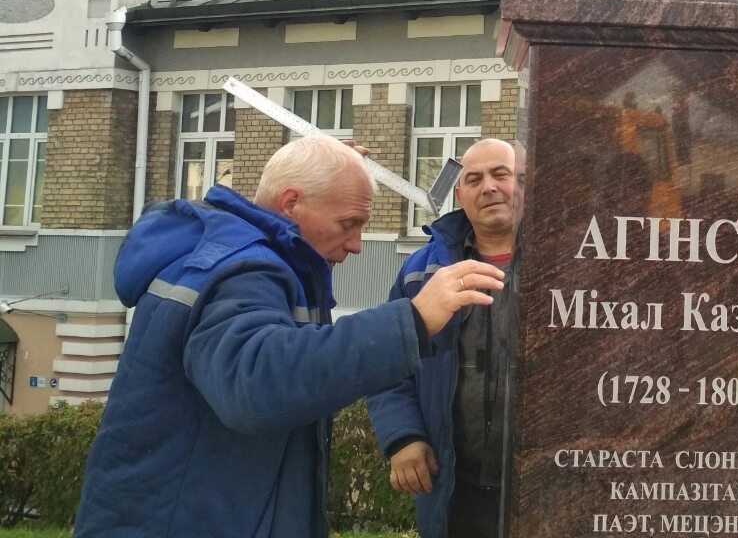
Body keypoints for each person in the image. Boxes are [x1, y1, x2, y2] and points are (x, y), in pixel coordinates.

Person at [73, 135, 504, 538]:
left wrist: (330, 174)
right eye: (348, 223)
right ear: (292, 203)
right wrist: (411, 321)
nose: (356, 244)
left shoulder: (239, 255)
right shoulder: (244, 271)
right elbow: (255, 382)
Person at [367, 138, 521, 538]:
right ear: (460, 195)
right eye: (474, 179)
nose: (489, 187)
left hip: (540, 486)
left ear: (524, 184)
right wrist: (403, 436)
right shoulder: (422, 271)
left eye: (500, 175)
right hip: (454, 489)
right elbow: (388, 362)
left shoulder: (565, 264)